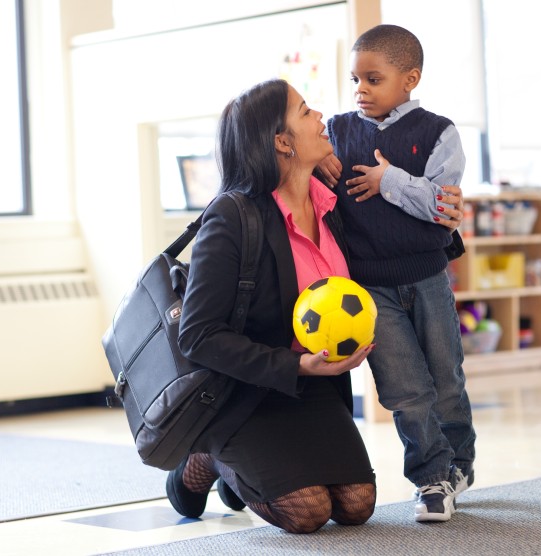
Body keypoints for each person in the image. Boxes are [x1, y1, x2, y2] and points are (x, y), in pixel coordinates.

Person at [165, 79, 378, 535]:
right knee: (308, 512)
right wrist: (296, 364)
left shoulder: (329, 203)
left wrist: (444, 212)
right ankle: (206, 458)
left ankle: (247, 473)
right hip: (246, 394)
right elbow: (198, 335)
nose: (320, 116)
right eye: (305, 112)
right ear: (282, 142)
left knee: (356, 505)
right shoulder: (231, 215)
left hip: (315, 389)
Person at [315, 24, 476, 523]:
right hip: (368, 287)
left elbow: (440, 206)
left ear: (409, 79)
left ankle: (459, 462)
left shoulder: (439, 132)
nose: (360, 89)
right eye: (355, 79)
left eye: (373, 79)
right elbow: (310, 172)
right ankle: (431, 477)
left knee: (445, 378)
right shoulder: (338, 132)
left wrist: (390, 181)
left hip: (428, 278)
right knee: (404, 388)